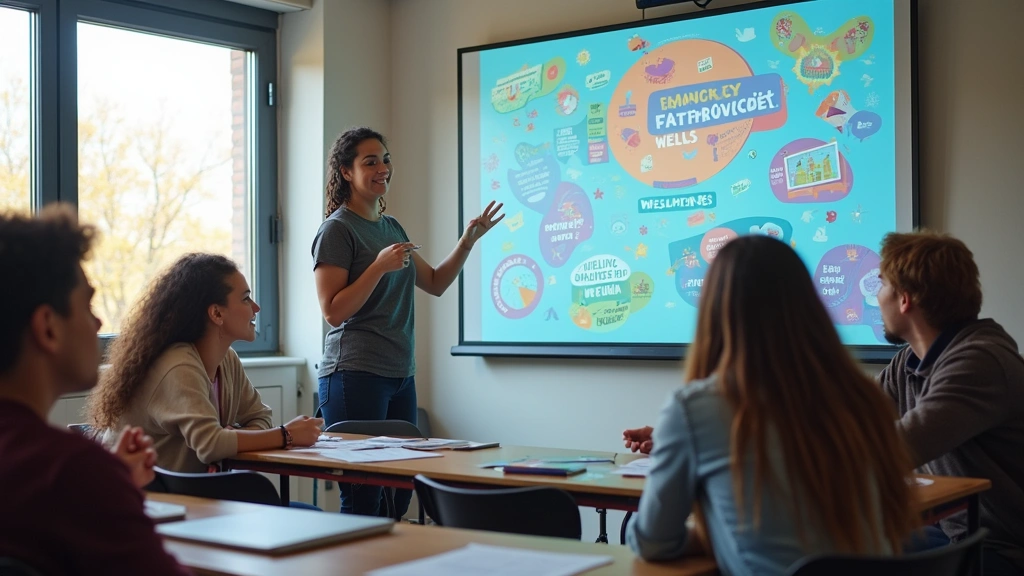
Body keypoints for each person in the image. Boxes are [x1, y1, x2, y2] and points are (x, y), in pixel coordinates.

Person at [626, 235, 918, 574]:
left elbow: (652, 541)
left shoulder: (697, 407)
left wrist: (709, 538)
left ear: (714, 312)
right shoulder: (861, 398)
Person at [312, 127, 502, 517]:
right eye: (370, 162)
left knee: (400, 493)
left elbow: (434, 282)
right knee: (364, 495)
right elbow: (332, 311)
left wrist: (468, 240)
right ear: (346, 172)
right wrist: (378, 267)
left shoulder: (391, 227)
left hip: (400, 374)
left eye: (385, 159)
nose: (383, 168)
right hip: (354, 374)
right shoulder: (337, 229)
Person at [0, 205, 190, 575]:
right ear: (48, 328)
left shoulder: (72, 476)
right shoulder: (72, 472)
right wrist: (104, 483)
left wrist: (113, 482)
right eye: (87, 304)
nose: (99, 321)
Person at [88, 253, 323, 475]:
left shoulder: (227, 359)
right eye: (245, 299)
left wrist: (235, 437)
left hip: (194, 499)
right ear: (217, 314)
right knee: (305, 514)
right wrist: (286, 435)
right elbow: (210, 445)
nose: (256, 308)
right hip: (148, 503)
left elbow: (260, 417)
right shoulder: (178, 365)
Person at [876, 231, 1024, 574]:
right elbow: (852, 418)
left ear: (904, 299)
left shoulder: (980, 362)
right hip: (949, 530)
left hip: (1001, 546)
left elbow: (894, 450)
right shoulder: (909, 362)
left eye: (881, 285)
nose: (876, 297)